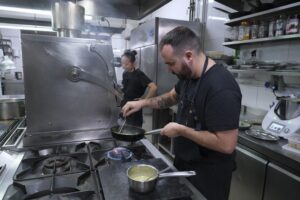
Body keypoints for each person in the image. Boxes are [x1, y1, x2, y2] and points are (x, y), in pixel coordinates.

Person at [122, 27, 242, 200]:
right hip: (184, 163)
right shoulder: (188, 76)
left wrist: (181, 130)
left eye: (171, 63)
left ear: (188, 56)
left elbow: (226, 144)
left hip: (208, 176)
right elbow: (171, 97)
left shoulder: (221, 87)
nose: (170, 70)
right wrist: (141, 103)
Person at [120, 49, 157, 127]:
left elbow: (153, 87)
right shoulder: (125, 73)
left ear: (133, 63)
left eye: (126, 64)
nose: (123, 66)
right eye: (122, 64)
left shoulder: (139, 74)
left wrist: (145, 100)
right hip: (125, 104)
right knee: (124, 127)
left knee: (134, 129)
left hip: (135, 106)